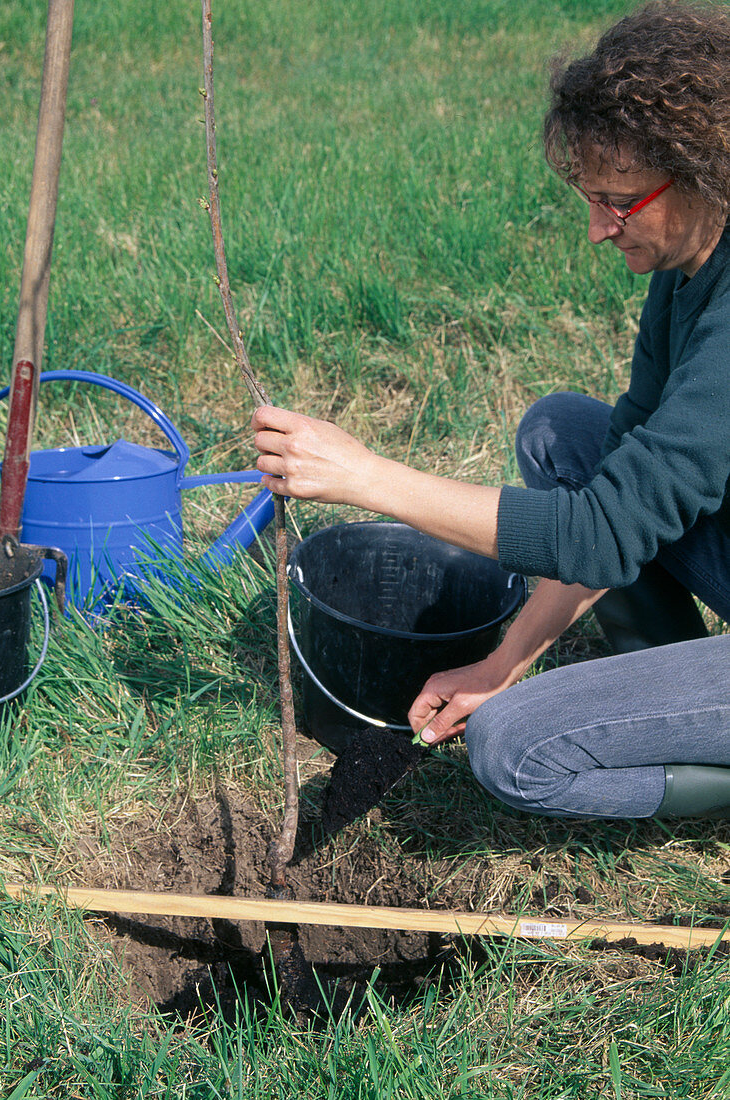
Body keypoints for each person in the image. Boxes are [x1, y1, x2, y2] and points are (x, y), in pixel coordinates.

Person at [252, 0, 730, 819]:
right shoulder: (685, 268)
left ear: (701, 172)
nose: (594, 229)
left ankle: (690, 739)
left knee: (514, 748)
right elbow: (617, 488)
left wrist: (367, 476)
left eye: (617, 201)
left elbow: (598, 533)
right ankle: (669, 688)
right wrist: (503, 659)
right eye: (587, 197)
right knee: (562, 432)